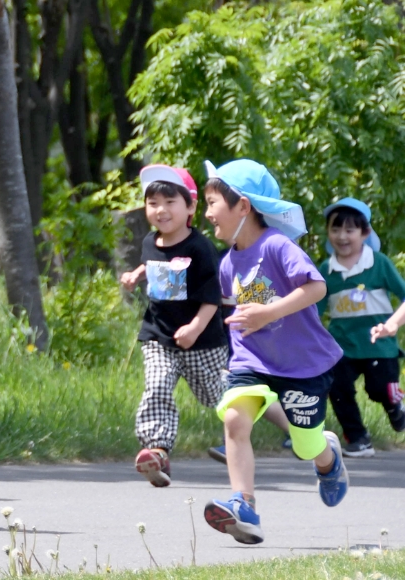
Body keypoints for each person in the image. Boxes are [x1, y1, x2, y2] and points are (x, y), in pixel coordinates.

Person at [198, 159, 350, 546]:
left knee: (306, 444)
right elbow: (239, 308)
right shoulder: (228, 263)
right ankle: (244, 505)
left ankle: (327, 458)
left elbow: (316, 288)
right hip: (253, 361)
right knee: (235, 419)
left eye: (213, 202)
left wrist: (269, 312)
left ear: (243, 206)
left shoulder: (278, 246)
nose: (207, 212)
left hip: (303, 365)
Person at [115, 165, 228, 487]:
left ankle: (246, 407)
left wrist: (194, 328)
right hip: (159, 334)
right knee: (158, 385)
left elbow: (212, 297)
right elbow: (155, 264)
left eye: (169, 202)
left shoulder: (201, 248)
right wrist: (137, 275)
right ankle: (157, 450)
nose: (160, 210)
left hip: (202, 339)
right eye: (152, 203)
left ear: (191, 206)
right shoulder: (151, 241)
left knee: (214, 395)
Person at [318, 198, 405, 456]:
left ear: (365, 233)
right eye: (335, 229)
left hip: (379, 345)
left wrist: (391, 325)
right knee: (338, 388)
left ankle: (394, 404)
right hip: (342, 346)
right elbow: (314, 310)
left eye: (349, 230)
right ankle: (358, 439)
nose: (342, 236)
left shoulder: (378, 263)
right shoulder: (326, 270)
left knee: (379, 390)